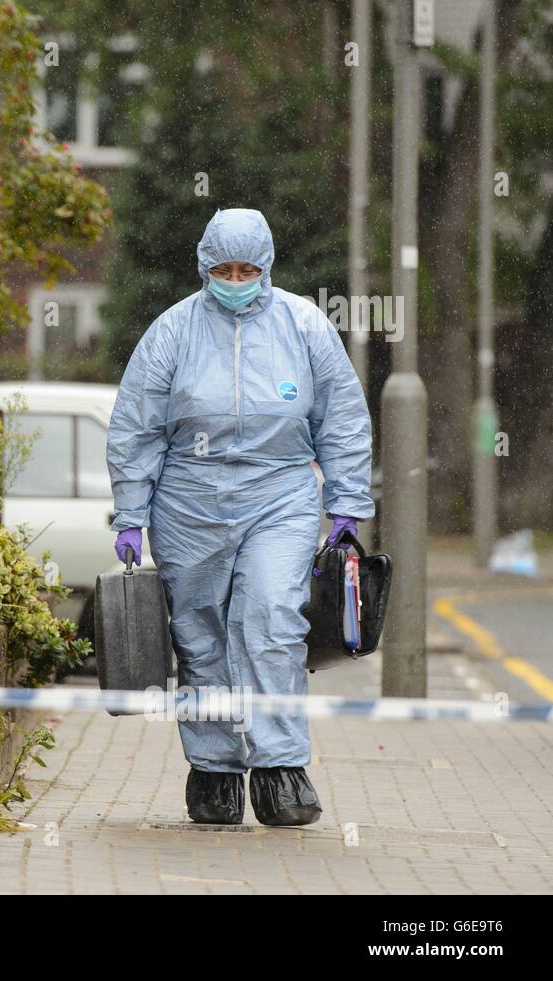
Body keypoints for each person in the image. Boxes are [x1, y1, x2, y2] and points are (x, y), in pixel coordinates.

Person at [105, 208, 373, 826]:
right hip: (188, 502)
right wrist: (130, 514)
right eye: (222, 269)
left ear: (267, 268)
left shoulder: (303, 325)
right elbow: (136, 427)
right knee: (200, 637)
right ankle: (216, 771)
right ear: (203, 267)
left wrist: (347, 502)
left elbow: (342, 416)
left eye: (246, 269)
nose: (234, 279)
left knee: (273, 620)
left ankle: (281, 769)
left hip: (279, 493)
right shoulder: (172, 332)